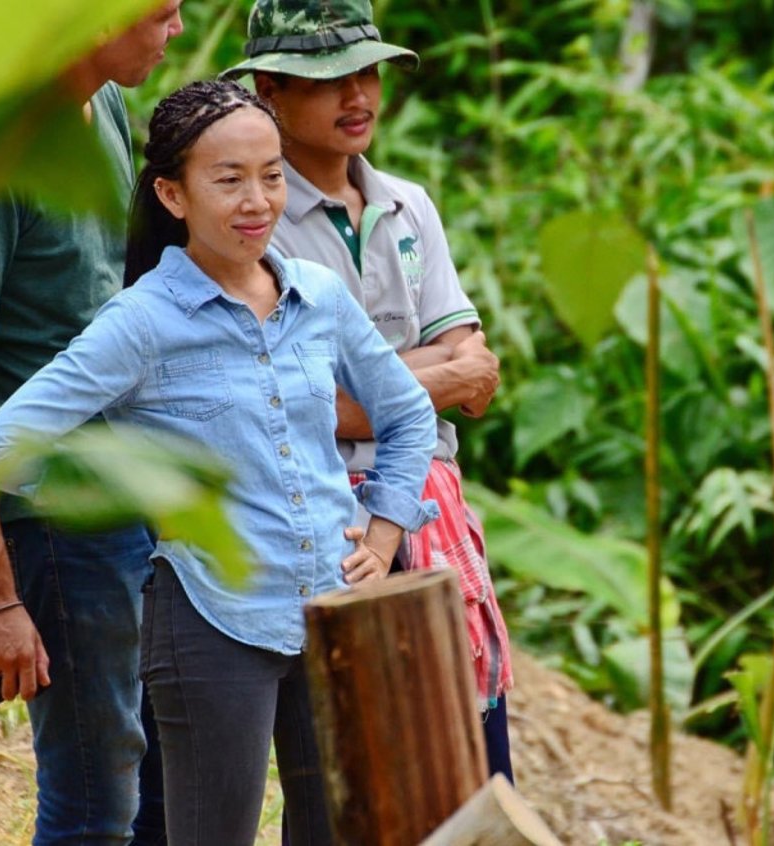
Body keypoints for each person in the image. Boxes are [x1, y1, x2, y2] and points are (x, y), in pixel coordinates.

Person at [0, 79, 439, 846]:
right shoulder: (141, 322)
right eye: (229, 180)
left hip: (330, 614)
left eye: (273, 174)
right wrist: (128, 488)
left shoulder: (316, 295)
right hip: (211, 623)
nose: (257, 200)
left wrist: (382, 537)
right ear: (172, 195)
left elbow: (409, 414)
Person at [222, 0, 516, 782]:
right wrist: (436, 375)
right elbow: (306, 400)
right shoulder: (260, 219)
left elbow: (476, 359)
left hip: (433, 501)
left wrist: (392, 380)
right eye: (329, 81)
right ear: (270, 91)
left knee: (472, 756)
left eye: (368, 73)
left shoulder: (408, 203)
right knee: (372, 765)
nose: (358, 98)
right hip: (335, 520)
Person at [0, 3, 185, 843]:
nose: (174, 31)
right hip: (55, 519)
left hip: (124, 492)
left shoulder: (102, 104)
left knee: (153, 780)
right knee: (93, 803)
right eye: (164, 13)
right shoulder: (1, 154)